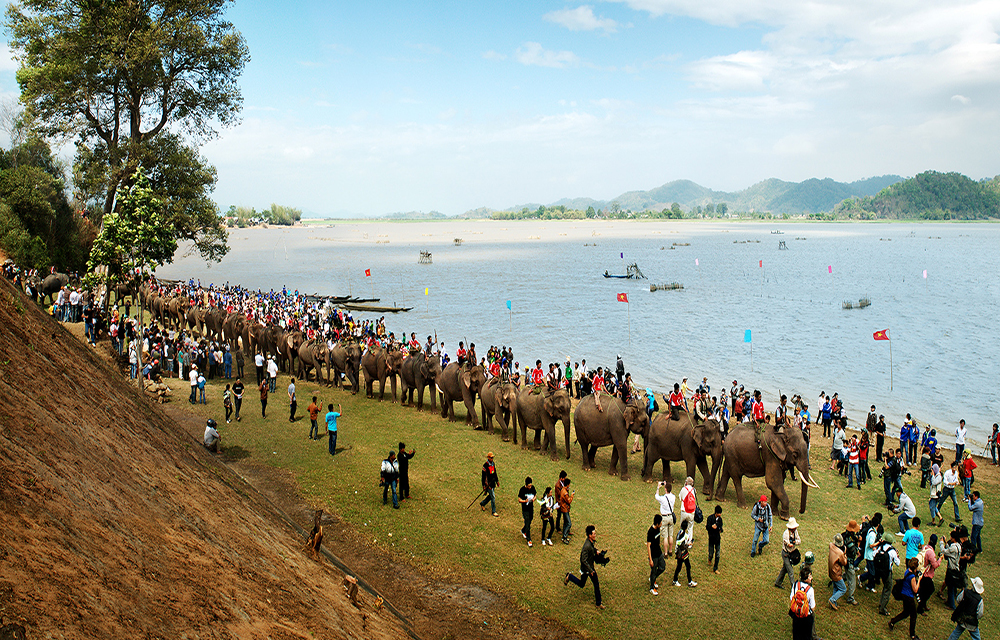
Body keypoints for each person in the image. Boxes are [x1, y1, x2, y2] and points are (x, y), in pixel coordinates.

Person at [564, 524, 609, 609]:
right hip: (587, 569)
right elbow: (583, 560)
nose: (595, 535)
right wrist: (591, 570)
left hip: (589, 568)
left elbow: (592, 549)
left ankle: (569, 576)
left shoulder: (590, 542)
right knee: (595, 584)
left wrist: (596, 551)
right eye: (594, 534)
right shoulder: (586, 546)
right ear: (590, 535)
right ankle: (598, 603)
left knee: (582, 584)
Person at [888, 557, 921, 639]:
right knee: (913, 615)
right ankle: (912, 635)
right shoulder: (912, 577)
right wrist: (919, 579)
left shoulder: (907, 571)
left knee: (905, 613)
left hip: (904, 594)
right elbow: (915, 589)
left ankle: (892, 621)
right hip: (909, 597)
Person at [916, 534, 941, 614]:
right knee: (928, 591)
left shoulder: (925, 548)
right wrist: (940, 559)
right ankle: (921, 607)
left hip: (922, 572)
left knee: (924, 591)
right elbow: (935, 565)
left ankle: (923, 604)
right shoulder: (931, 553)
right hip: (927, 575)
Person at [789, 566, 816, 640]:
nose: (811, 578)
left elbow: (792, 598)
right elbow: (813, 606)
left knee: (796, 636)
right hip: (806, 617)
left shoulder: (795, 585)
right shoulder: (810, 590)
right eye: (810, 576)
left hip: (796, 615)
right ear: (807, 578)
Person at [775, 518, 801, 589]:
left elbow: (799, 540)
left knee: (784, 569)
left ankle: (778, 582)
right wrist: (789, 544)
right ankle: (794, 588)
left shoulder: (795, 532)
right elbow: (786, 542)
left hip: (791, 553)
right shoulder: (786, 533)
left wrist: (795, 542)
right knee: (790, 571)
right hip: (786, 554)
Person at [842, 519, 862, 606]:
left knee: (847, 574)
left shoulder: (845, 535)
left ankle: (838, 582)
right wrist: (858, 543)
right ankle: (851, 598)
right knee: (852, 579)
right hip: (849, 561)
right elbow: (854, 551)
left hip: (845, 559)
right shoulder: (848, 538)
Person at [672, 519, 697, 587]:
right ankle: (689, 581)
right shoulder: (684, 535)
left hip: (679, 553)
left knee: (680, 567)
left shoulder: (679, 532)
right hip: (683, 553)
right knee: (687, 566)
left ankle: (675, 580)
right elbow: (680, 544)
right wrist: (687, 545)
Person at [654, 482, 676, 557]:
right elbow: (670, 493)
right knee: (671, 535)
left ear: (665, 489)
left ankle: (666, 553)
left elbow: (656, 496)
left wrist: (658, 487)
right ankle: (670, 550)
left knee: (665, 536)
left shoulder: (663, 498)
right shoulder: (673, 497)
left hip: (664, 517)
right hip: (671, 517)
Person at [828, 533, 848, 610]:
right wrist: (844, 554)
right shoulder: (840, 553)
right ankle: (832, 600)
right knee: (843, 589)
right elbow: (844, 563)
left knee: (836, 588)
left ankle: (833, 603)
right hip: (837, 573)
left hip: (831, 571)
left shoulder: (831, 546)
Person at [647, 514, 665, 595]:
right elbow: (648, 546)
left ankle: (652, 578)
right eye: (660, 523)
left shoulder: (658, 529)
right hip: (653, 555)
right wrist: (650, 559)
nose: (661, 524)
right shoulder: (650, 532)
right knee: (653, 571)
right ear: (657, 524)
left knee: (662, 567)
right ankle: (652, 587)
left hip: (659, 552)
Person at [480, 452, 500, 517]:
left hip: (493, 483)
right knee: (493, 497)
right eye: (491, 458)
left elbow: (495, 473)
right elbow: (483, 477)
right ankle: (494, 511)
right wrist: (484, 485)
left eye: (492, 458)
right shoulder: (485, 466)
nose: (492, 459)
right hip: (488, 484)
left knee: (491, 496)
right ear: (488, 458)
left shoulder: (493, 464)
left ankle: (482, 503)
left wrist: (497, 481)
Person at [678, 476, 697, 541]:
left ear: (686, 482)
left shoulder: (684, 489)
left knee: (682, 527)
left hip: (684, 510)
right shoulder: (694, 490)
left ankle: (681, 539)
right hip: (691, 511)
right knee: (690, 527)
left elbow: (680, 497)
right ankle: (689, 542)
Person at [706, 505, 723, 574]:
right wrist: (711, 527)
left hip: (717, 538)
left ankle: (715, 567)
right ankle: (710, 558)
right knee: (711, 552)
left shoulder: (720, 520)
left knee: (718, 553)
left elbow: (721, 527)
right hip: (711, 538)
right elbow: (707, 527)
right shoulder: (710, 518)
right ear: (716, 513)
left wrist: (720, 530)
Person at [559, 479, 574, 543]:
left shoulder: (562, 490)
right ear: (568, 484)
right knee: (569, 523)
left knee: (565, 523)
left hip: (563, 508)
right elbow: (569, 501)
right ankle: (564, 536)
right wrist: (572, 496)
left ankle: (565, 535)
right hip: (565, 509)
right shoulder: (565, 493)